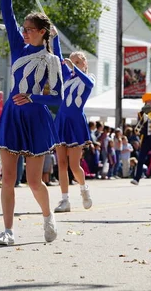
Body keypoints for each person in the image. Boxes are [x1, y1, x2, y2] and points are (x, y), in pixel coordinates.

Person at [0, 0, 62, 246]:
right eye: (24, 28)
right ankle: (8, 230)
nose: (25, 32)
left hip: (35, 118)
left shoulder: (51, 59)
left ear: (43, 32)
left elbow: (57, 98)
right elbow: (6, 13)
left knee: (34, 181)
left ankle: (48, 216)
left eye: (31, 29)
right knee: (8, 178)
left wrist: (34, 97)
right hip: (12, 115)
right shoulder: (18, 46)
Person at [52, 40, 94, 213]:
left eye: (77, 62)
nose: (73, 65)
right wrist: (54, 37)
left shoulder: (88, 79)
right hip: (61, 120)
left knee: (74, 165)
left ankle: (84, 189)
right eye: (72, 62)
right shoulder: (67, 77)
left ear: (84, 64)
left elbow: (88, 84)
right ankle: (64, 200)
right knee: (61, 163)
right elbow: (58, 55)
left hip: (75, 122)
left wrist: (73, 67)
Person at [131, 92, 151, 186]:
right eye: (149, 101)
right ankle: (136, 178)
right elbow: (139, 126)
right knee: (141, 158)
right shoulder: (141, 113)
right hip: (145, 137)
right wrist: (145, 115)